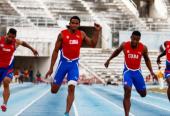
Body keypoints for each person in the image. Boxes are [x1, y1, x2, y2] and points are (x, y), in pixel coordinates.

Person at [45, 16, 101, 116]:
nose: (74, 25)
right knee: (54, 91)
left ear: (79, 25)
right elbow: (55, 51)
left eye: (76, 23)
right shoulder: (62, 35)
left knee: (71, 87)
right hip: (63, 64)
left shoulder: (82, 34)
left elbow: (93, 44)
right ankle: (52, 82)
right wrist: (50, 68)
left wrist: (97, 32)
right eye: (72, 23)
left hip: (74, 65)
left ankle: (67, 112)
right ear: (69, 24)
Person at [104, 31, 157, 116]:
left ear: (139, 39)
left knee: (143, 94)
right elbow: (117, 52)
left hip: (137, 73)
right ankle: (126, 114)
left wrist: (151, 72)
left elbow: (147, 59)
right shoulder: (124, 45)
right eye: (133, 39)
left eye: (137, 39)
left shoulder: (143, 48)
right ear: (131, 37)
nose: (134, 41)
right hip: (127, 72)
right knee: (127, 90)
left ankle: (137, 86)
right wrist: (108, 60)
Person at [0, 28, 38, 112]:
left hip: (8, 68)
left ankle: (4, 104)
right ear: (7, 34)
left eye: (12, 37)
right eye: (9, 36)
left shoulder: (16, 42)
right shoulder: (0, 39)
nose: (10, 39)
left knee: (6, 82)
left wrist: (32, 49)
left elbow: (23, 43)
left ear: (15, 37)